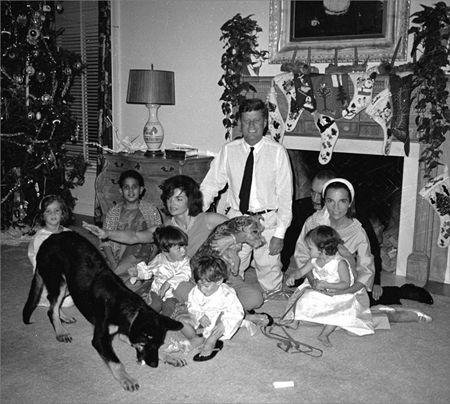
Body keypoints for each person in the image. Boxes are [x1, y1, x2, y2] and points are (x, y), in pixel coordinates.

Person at [83, 175, 267, 319]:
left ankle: (205, 312)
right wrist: (107, 233)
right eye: (169, 198)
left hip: (219, 277)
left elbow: (240, 229)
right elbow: (135, 236)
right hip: (191, 283)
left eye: (179, 198)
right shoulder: (165, 230)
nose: (172, 203)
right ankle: (218, 312)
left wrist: (231, 241)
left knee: (255, 299)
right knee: (178, 288)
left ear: (190, 200)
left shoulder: (208, 220)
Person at [200, 98, 293, 294]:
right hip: (237, 219)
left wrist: (279, 234)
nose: (251, 126)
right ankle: (234, 304)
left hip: (267, 221)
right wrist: (194, 215)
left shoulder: (277, 152)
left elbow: (285, 197)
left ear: (265, 122)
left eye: (256, 120)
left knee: (269, 270)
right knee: (231, 267)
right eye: (246, 121)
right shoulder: (228, 150)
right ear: (240, 123)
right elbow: (210, 185)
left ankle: (274, 305)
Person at [286, 225, 374, 347]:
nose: (307, 250)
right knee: (303, 297)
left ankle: (325, 334)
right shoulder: (314, 260)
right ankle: (295, 322)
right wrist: (292, 276)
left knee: (341, 309)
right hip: (319, 290)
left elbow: (345, 283)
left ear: (322, 249)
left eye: (310, 248)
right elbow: (301, 271)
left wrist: (327, 285)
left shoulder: (339, 263)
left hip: (337, 292)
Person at [305, 170, 385, 302]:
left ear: (349, 203)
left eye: (342, 201)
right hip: (318, 281)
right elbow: (303, 256)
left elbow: (366, 270)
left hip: (348, 285)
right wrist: (313, 282)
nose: (336, 207)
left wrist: (342, 293)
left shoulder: (358, 230)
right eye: (330, 201)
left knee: (369, 304)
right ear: (324, 201)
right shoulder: (313, 222)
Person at [176, 255, 244, 361]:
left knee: (221, 325)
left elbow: (236, 312)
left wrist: (224, 323)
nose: (202, 289)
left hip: (218, 323)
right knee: (180, 320)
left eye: (206, 286)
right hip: (202, 322)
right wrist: (200, 316)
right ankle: (196, 338)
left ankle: (212, 340)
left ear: (219, 281)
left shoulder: (227, 294)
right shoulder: (196, 291)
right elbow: (192, 306)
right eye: (199, 285)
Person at [101, 170, 161, 280]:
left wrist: (150, 261)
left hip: (141, 257)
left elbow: (158, 238)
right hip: (116, 256)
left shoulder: (150, 210)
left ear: (141, 190)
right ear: (121, 190)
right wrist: (113, 263)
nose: (130, 191)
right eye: (126, 187)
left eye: (134, 187)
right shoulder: (113, 212)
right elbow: (105, 242)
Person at [128, 225, 191, 317]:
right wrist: (137, 273)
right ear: (165, 252)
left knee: (169, 309)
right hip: (157, 291)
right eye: (178, 248)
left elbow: (185, 274)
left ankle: (164, 327)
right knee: (153, 306)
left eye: (184, 246)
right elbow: (149, 271)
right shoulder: (159, 259)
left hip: (174, 295)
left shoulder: (185, 261)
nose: (184, 251)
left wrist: (168, 283)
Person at [28, 194, 73, 308]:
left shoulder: (68, 233)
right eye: (48, 211)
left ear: (62, 213)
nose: (53, 214)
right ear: (42, 216)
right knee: (67, 302)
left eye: (56, 210)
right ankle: (46, 298)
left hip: (66, 274)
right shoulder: (40, 238)